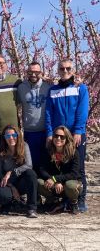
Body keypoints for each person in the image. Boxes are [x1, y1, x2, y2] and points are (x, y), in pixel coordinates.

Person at [45, 59, 89, 213]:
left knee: (79, 168)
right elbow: (49, 113)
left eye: (68, 68)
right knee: (60, 167)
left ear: (73, 70)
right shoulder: (53, 90)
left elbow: (82, 111)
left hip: (75, 135)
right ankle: (63, 199)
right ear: (58, 70)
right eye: (62, 69)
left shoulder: (80, 88)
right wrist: (50, 133)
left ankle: (81, 198)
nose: (65, 71)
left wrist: (78, 130)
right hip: (59, 136)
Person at [0, 125, 38, 218]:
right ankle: (9, 203)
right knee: (3, 196)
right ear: (4, 138)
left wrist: (11, 172)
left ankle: (31, 208)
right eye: (7, 136)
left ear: (18, 135)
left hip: (21, 181)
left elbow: (29, 165)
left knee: (31, 173)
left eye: (13, 135)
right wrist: (11, 187)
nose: (11, 138)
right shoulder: (0, 151)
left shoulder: (24, 145)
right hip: (7, 183)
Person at [38, 126, 81, 214]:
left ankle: (73, 203)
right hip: (54, 184)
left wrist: (56, 179)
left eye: (62, 137)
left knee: (71, 186)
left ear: (67, 138)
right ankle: (52, 200)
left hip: (68, 183)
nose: (58, 138)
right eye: (56, 136)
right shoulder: (48, 151)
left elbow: (74, 174)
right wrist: (53, 181)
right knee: (39, 182)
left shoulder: (73, 153)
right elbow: (42, 170)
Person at [16, 62, 51, 170]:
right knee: (31, 162)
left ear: (41, 73)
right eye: (30, 72)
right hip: (29, 132)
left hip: (46, 131)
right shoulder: (21, 88)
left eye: (37, 72)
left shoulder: (49, 87)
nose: (33, 74)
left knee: (46, 162)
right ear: (27, 72)